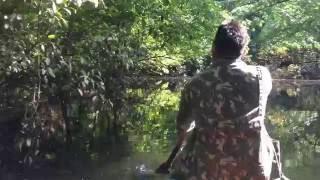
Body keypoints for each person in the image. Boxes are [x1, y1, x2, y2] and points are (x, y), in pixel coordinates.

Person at [156, 20, 276, 179]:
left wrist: (170, 161)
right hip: (252, 171)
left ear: (213, 49)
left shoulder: (195, 84)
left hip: (206, 172)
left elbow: (183, 130)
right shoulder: (262, 76)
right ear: (244, 51)